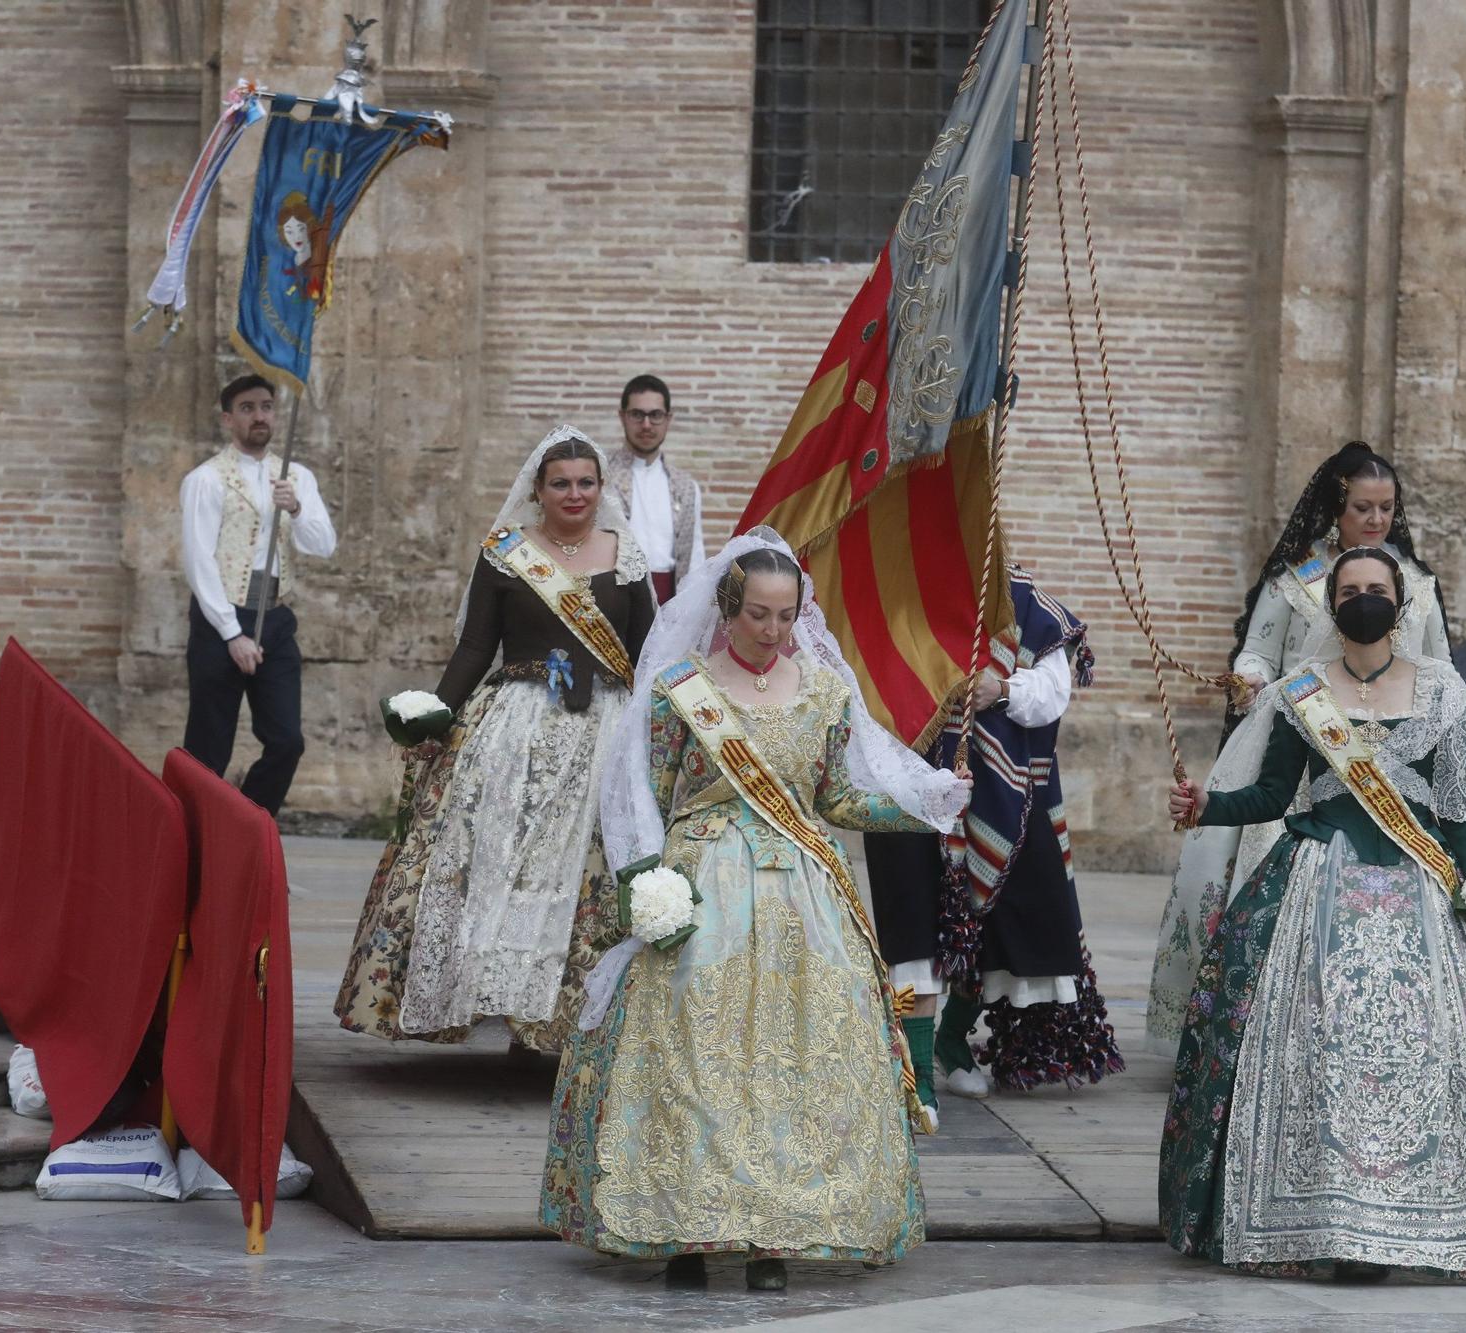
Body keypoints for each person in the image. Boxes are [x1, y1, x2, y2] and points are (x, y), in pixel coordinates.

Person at [541, 531, 971, 1292]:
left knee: (804, 1049)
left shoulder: (827, 692)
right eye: (758, 616)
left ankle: (771, 1238)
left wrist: (925, 803)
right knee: (691, 1049)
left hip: (804, 893)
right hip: (705, 883)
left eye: (785, 616)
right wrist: (647, 884)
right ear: (728, 610)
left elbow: (837, 799)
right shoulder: (682, 686)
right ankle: (685, 1234)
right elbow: (649, 788)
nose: (772, 632)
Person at [1159, 547, 1466, 1280]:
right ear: (1333, 607)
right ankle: (1333, 1222)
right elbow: (1270, 796)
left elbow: (1457, 811)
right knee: (1316, 1040)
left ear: (1399, 602)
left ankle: (1429, 1215)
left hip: (1421, 884)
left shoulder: (1443, 689)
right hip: (1317, 881)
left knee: (1436, 1040)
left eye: (1374, 589)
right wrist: (1207, 806)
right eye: (1348, 591)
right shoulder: (1301, 692)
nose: (1362, 599)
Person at [335, 427, 656, 1052]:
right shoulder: (506, 553)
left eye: (585, 482)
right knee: (495, 863)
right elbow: (476, 647)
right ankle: (500, 1007)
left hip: (603, 736)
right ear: (537, 490)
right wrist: (432, 715)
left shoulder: (626, 557)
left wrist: (661, 736)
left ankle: (559, 1025)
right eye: (560, 483)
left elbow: (646, 658)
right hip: (511, 731)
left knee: (581, 877)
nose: (574, 493)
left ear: (600, 488)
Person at [1145, 442, 1455, 1056]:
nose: (1375, 520)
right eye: (1363, 508)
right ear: (1335, 508)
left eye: (1386, 509)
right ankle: (1246, 1031)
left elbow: (1439, 665)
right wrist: (1252, 677)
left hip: (1388, 756)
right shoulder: (1300, 580)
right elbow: (1260, 649)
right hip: (1302, 740)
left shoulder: (1413, 583)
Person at [863, 566, 1122, 1108]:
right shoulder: (892, 587)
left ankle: (954, 1040)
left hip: (1007, 790)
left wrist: (999, 689)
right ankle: (917, 1082)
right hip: (906, 781)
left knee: (1004, 922)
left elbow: (1052, 693)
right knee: (915, 925)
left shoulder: (1024, 601)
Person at [178, 374, 337, 817]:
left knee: (287, 741)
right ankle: (194, 846)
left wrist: (298, 508)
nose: (259, 416)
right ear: (229, 419)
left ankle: (246, 826)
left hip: (276, 618)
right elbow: (198, 560)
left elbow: (322, 545)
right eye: (247, 408)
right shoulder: (206, 479)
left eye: (266, 406)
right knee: (208, 749)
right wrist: (231, 633)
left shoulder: (295, 477)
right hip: (220, 620)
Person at [609, 374, 704, 604]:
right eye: (637, 414)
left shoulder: (687, 487)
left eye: (656, 415)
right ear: (623, 417)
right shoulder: (599, 479)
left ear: (668, 419)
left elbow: (695, 561)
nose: (646, 425)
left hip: (669, 604)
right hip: (613, 600)